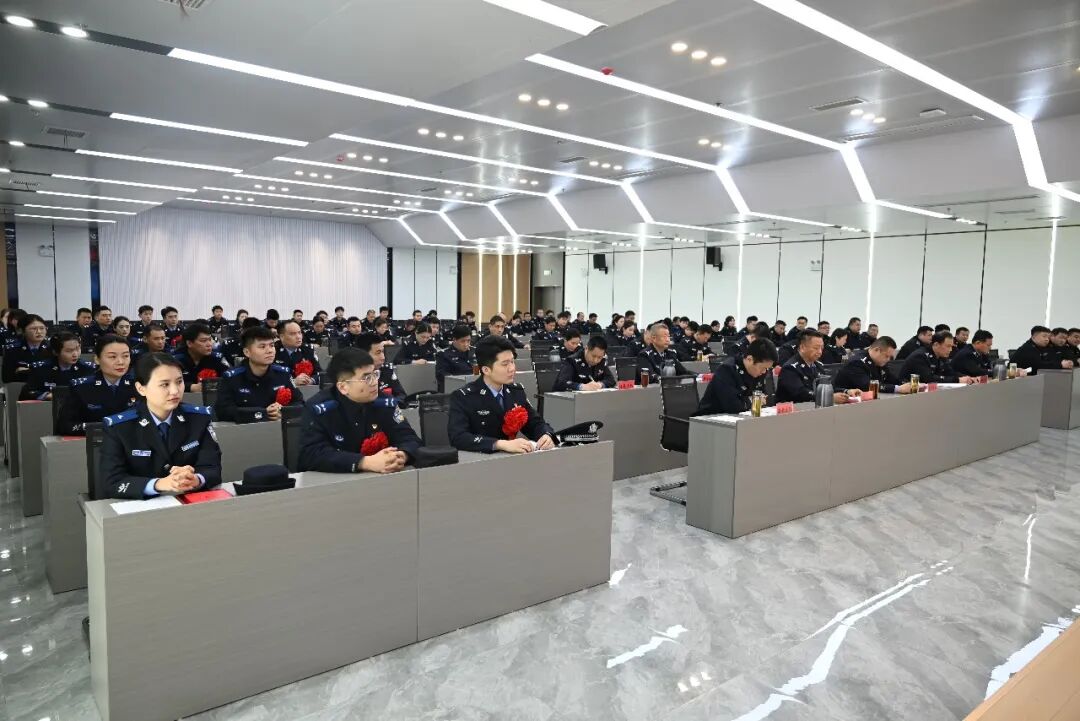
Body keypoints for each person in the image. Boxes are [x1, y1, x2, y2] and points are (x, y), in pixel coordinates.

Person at [98, 353, 221, 500]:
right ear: (141, 388)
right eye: (165, 384)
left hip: (188, 502)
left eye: (179, 382)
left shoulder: (199, 418)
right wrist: (159, 484)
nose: (175, 391)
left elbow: (212, 468)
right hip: (140, 506)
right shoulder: (119, 427)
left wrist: (195, 479)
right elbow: (112, 482)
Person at [298, 348, 421, 473]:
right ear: (343, 387)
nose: (374, 382)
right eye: (367, 378)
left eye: (375, 374)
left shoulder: (385, 402)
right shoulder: (319, 408)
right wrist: (363, 462)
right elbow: (311, 454)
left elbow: (409, 437)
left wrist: (402, 455)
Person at [448, 336, 555, 454]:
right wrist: (499, 444)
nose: (512, 368)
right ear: (486, 370)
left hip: (512, 459)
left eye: (512, 361)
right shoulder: (464, 397)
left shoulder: (516, 391)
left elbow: (535, 422)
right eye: (505, 364)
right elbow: (458, 437)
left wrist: (546, 435)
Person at [215, 326, 304, 422]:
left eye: (272, 345)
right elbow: (222, 411)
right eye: (262, 347)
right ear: (247, 352)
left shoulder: (283, 374)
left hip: (277, 427)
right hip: (244, 429)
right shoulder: (231, 377)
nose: (270, 350)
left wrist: (283, 412)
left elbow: (300, 403)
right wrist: (262, 413)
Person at [56, 334, 140, 435]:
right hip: (93, 441)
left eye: (125, 356)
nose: (120, 362)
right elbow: (65, 426)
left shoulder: (140, 386)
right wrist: (98, 428)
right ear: (97, 359)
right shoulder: (80, 387)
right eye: (112, 357)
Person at [695, 339, 778, 415]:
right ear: (750, 359)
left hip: (742, 417)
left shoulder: (759, 372)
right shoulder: (727, 370)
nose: (764, 372)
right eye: (763, 368)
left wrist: (751, 401)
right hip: (711, 418)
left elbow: (763, 397)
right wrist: (752, 401)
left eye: (767, 368)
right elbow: (733, 406)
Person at [776, 330, 857, 404]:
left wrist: (846, 391)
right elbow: (801, 394)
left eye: (821, 348)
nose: (820, 352)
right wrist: (829, 397)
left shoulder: (818, 365)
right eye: (816, 348)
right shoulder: (790, 368)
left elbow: (827, 387)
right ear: (802, 347)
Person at [20, 331, 96, 400]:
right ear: (56, 352)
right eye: (69, 351)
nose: (75, 354)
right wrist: (47, 396)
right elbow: (27, 393)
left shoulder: (88, 368)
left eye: (77, 349)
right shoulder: (40, 369)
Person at [833, 337, 915, 395]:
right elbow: (868, 386)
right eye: (886, 356)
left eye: (890, 357)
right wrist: (898, 388)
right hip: (845, 402)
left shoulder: (879, 362)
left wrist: (908, 384)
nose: (888, 360)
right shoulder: (857, 362)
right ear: (876, 350)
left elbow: (890, 379)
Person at [346, 333, 406, 403]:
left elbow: (401, 395)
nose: (383, 357)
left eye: (383, 352)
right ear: (363, 355)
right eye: (378, 353)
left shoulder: (387, 370)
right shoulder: (352, 377)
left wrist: (392, 403)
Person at [898, 331, 975, 384]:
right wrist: (957, 380)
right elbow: (929, 379)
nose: (951, 350)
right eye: (948, 346)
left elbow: (950, 372)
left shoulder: (941, 356)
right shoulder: (920, 356)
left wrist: (966, 377)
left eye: (951, 346)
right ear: (936, 345)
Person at [175, 322, 231, 392]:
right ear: (189, 343)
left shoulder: (217, 358)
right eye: (204, 341)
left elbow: (230, 378)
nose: (209, 344)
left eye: (210, 340)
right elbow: (168, 383)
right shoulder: (176, 360)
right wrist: (190, 387)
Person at [2, 313, 51, 383]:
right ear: (22, 331)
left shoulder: (52, 348)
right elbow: (6, 378)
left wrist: (27, 372)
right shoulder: (12, 349)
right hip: (20, 387)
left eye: (42, 328)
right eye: (33, 328)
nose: (39, 332)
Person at [275, 319, 321, 386]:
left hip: (306, 389)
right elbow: (270, 378)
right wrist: (293, 382)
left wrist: (311, 380)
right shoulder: (274, 351)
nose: (298, 337)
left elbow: (319, 373)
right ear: (282, 337)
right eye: (293, 334)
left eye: (299, 333)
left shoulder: (308, 350)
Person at [435, 324, 475, 391]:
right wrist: (457, 380)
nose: (466, 344)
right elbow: (441, 375)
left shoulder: (474, 352)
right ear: (454, 340)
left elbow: (477, 369)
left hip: (474, 387)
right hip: (455, 389)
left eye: (468, 341)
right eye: (462, 341)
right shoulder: (444, 354)